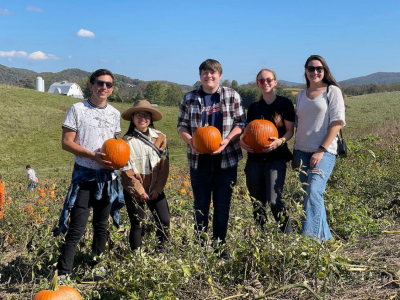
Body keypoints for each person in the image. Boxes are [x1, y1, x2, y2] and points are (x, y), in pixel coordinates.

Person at [57, 69, 124, 279]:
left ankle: (97, 264)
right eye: (100, 83)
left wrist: (116, 161)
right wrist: (93, 156)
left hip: (107, 177)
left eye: (108, 84)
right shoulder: (77, 109)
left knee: (101, 225)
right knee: (77, 225)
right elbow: (66, 143)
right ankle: (64, 272)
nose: (104, 87)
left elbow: (114, 145)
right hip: (85, 175)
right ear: (91, 85)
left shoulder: (114, 113)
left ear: (112, 89)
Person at [177, 59, 246, 255]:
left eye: (213, 72)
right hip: (199, 161)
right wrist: (191, 141)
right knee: (200, 205)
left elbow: (241, 123)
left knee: (222, 205)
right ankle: (200, 248)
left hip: (226, 160)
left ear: (220, 75)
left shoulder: (232, 95)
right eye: (205, 73)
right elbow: (181, 125)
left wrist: (227, 141)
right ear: (200, 76)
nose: (209, 76)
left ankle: (219, 248)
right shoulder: (189, 98)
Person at [292, 55, 345, 241]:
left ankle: (308, 242)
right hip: (301, 151)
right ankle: (326, 239)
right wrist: (293, 151)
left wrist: (321, 149)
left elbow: (337, 122)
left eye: (319, 68)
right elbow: (299, 126)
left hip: (324, 151)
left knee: (314, 190)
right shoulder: (300, 95)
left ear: (324, 71)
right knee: (310, 195)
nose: (315, 72)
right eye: (311, 68)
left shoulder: (332, 91)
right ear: (305, 71)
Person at [239, 69, 294, 233]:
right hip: (254, 160)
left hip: (276, 159)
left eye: (269, 79)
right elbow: (249, 132)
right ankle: (261, 237)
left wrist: (280, 141)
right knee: (257, 201)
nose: (265, 83)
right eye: (261, 81)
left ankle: (287, 236)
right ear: (258, 84)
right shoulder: (254, 108)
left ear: (275, 81)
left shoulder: (284, 104)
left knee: (274, 200)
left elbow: (290, 131)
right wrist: (242, 142)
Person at [120, 100, 170, 251]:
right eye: (139, 114)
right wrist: (139, 191)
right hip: (134, 190)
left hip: (155, 188)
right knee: (137, 224)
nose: (143, 118)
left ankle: (162, 253)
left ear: (151, 118)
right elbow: (127, 172)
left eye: (147, 115)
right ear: (133, 117)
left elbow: (164, 166)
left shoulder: (160, 138)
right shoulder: (125, 142)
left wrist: (158, 188)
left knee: (164, 220)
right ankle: (137, 259)